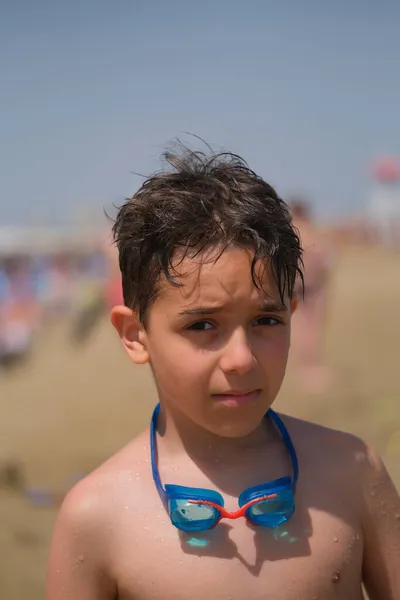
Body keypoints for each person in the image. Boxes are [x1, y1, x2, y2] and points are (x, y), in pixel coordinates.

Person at [46, 147, 400, 600]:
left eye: (266, 321)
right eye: (202, 325)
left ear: (292, 316)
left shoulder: (351, 472)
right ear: (135, 336)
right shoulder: (97, 516)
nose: (241, 359)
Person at [289, 199, 335, 393]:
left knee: (304, 324)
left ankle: (309, 367)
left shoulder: (290, 230)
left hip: (302, 285)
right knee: (310, 325)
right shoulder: (307, 231)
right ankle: (310, 368)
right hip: (311, 286)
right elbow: (326, 257)